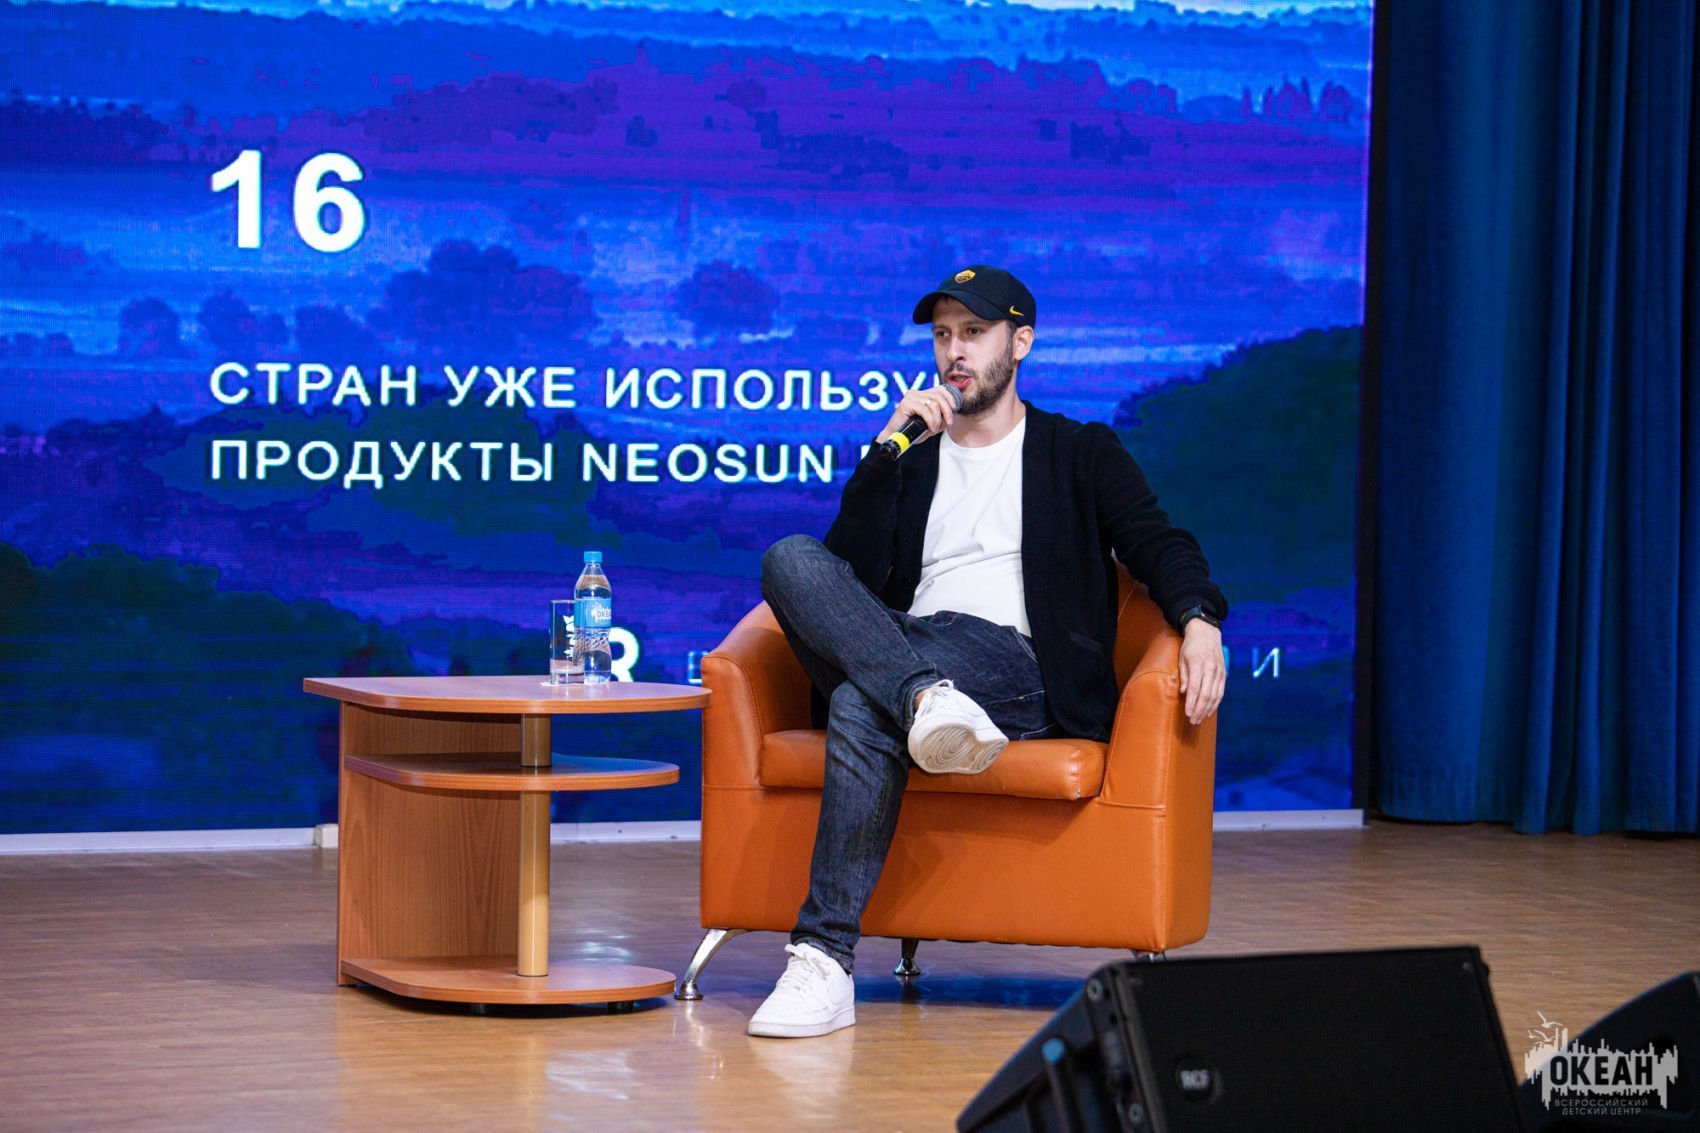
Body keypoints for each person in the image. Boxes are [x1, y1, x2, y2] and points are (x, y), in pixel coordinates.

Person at [747, 265, 1227, 1039]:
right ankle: (919, 698)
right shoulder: (911, 457)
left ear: (1020, 341)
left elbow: (1157, 541)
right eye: (942, 336)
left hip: (1017, 666)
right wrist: (882, 455)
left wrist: (1200, 617)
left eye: (973, 333)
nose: (954, 352)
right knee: (789, 559)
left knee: (859, 698)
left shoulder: (1077, 451)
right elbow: (845, 576)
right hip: (913, 645)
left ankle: (823, 956)